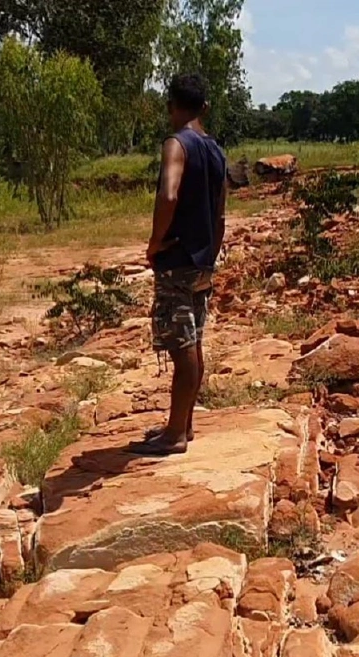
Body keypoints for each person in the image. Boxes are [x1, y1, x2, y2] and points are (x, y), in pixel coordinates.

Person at [130, 73, 228, 457]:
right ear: (205, 107)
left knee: (182, 345)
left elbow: (168, 194)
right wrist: (211, 253)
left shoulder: (176, 144)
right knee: (196, 341)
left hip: (177, 261)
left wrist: (156, 243)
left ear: (171, 105)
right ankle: (183, 424)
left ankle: (174, 435)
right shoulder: (216, 150)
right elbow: (220, 215)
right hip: (204, 262)